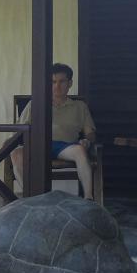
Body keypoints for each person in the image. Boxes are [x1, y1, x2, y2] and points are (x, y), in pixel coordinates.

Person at [12, 63, 96, 197]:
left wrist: (87, 140)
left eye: (62, 81)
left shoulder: (80, 106)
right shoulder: (35, 103)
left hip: (66, 147)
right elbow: (19, 130)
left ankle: (89, 198)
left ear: (70, 83)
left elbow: (90, 132)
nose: (57, 86)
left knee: (80, 150)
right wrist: (10, 142)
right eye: (53, 82)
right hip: (39, 146)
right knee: (16, 153)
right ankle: (30, 197)